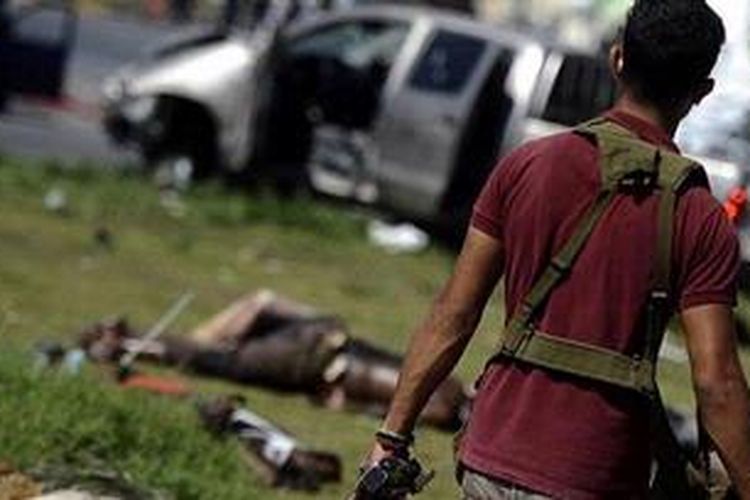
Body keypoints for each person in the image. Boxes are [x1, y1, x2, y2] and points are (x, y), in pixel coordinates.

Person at [362, 1, 750, 498]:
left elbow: (453, 314)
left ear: (617, 58)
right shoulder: (699, 216)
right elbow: (717, 384)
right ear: (702, 92)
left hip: (489, 459)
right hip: (593, 473)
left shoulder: (527, 165)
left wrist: (391, 438)